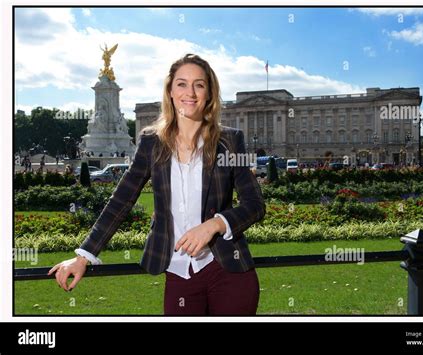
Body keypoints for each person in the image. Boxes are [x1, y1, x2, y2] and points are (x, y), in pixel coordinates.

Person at [48, 53, 266, 315]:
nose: (191, 93)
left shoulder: (230, 140)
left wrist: (215, 224)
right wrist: (84, 255)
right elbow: (122, 200)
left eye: (199, 84)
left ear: (209, 93)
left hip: (228, 270)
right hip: (178, 273)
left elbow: (254, 205)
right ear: (171, 91)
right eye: (182, 84)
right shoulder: (151, 142)